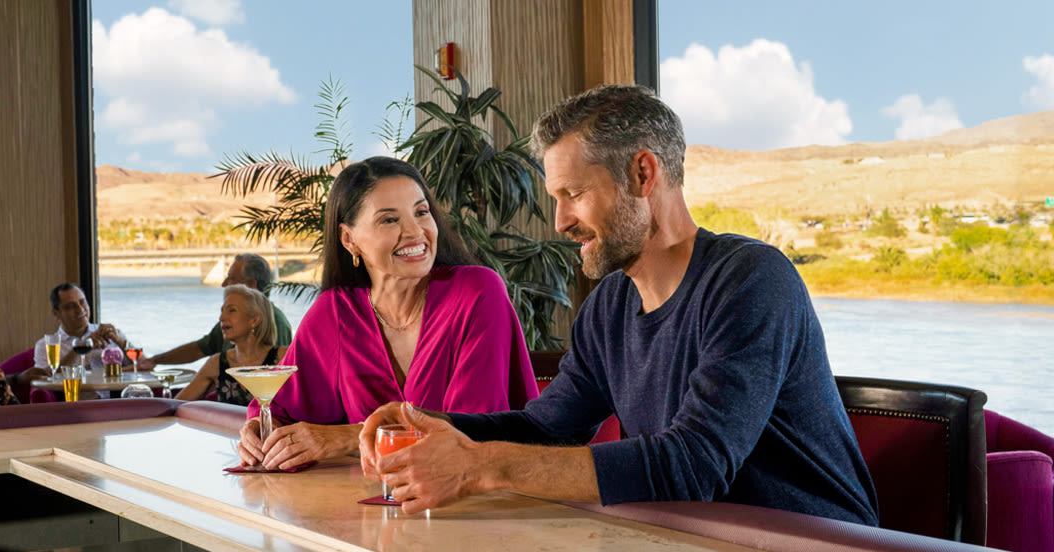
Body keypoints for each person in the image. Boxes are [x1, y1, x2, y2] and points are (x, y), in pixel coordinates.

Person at [356, 86, 880, 526]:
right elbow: (547, 429)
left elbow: (695, 465)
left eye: (575, 193)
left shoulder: (753, 281)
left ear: (642, 175)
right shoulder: (609, 305)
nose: (559, 222)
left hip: (815, 541)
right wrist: (428, 427)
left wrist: (478, 466)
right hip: (689, 537)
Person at [237, 156, 539, 471]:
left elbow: (470, 433)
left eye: (422, 212)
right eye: (389, 220)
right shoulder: (335, 313)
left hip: (477, 506)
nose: (415, 232)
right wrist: (259, 428)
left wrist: (349, 437)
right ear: (349, 239)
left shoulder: (478, 293)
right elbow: (280, 408)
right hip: (368, 509)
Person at [139, 254, 292, 370]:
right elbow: (198, 349)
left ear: (251, 285)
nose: (223, 284)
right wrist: (154, 361)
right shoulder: (232, 323)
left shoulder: (276, 322)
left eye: (231, 279)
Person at [175, 285, 280, 404]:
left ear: (254, 320)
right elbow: (176, 405)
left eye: (232, 310)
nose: (221, 317)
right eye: (222, 311)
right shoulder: (216, 363)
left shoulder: (283, 358)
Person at [34, 283, 127, 372]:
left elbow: (140, 364)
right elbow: (45, 378)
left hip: (111, 388)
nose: (80, 309)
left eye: (83, 302)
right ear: (56, 313)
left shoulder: (109, 333)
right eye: (71, 306)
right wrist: (81, 348)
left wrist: (120, 342)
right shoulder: (46, 346)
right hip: (70, 388)